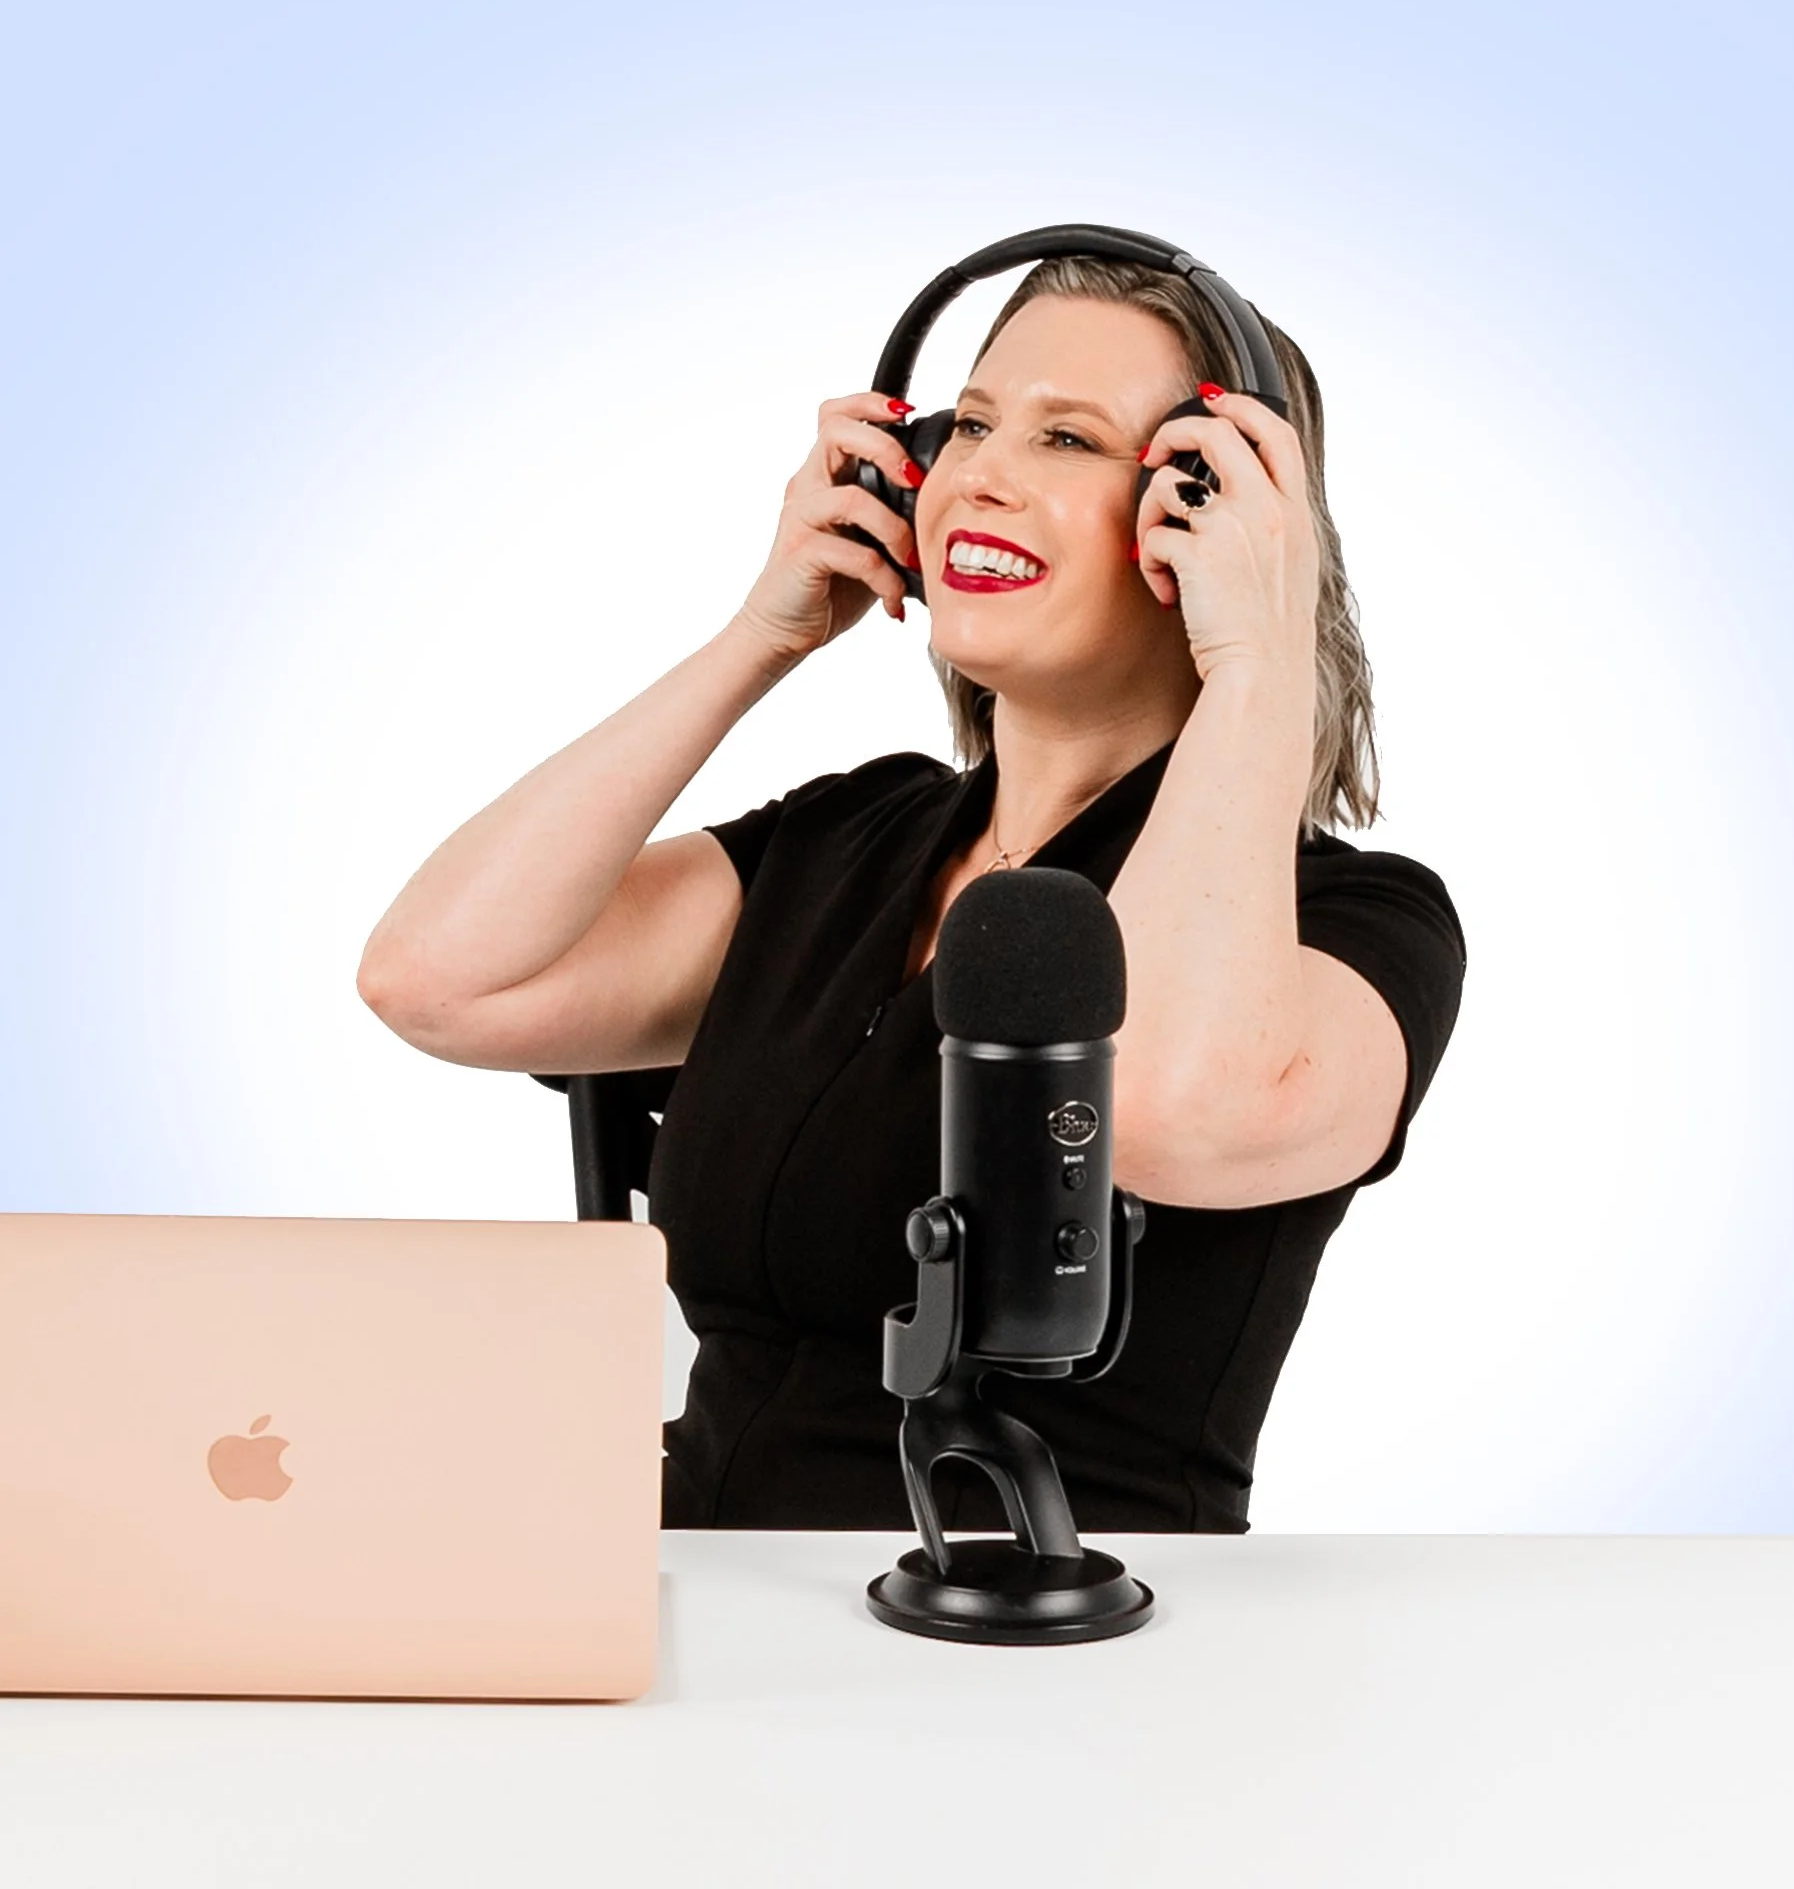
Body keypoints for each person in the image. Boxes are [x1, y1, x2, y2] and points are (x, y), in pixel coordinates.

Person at [357, 254, 1467, 1533]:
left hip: (1053, 1633)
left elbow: (1150, 1112)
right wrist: (760, 635)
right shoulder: (845, 842)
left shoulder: (1354, 928)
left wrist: (1256, 661)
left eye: (1065, 438)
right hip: (691, 1608)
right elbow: (436, 978)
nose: (978, 476)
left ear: (1213, 512)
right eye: (969, 426)